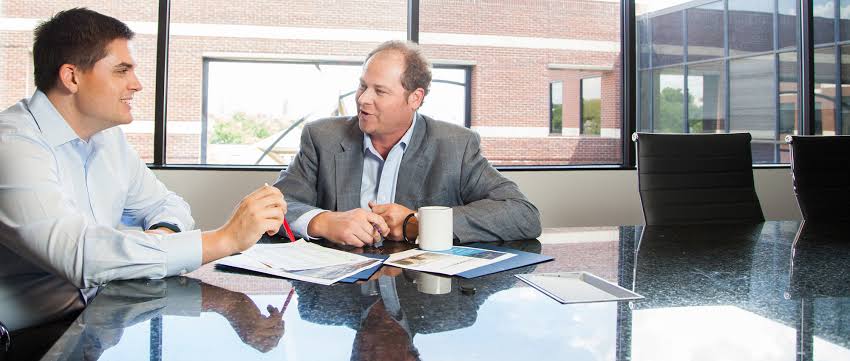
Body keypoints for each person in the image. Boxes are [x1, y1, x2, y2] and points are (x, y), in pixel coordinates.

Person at [0, 7, 287, 338]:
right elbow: (83, 256)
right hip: (25, 338)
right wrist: (224, 239)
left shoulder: (107, 139)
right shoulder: (13, 146)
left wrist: (160, 237)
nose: (136, 85)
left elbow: (168, 205)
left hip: (96, 321)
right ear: (72, 77)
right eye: (122, 71)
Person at [274, 40, 541, 247]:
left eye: (380, 91)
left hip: (417, 292)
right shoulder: (323, 137)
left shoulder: (456, 146)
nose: (363, 99)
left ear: (415, 98)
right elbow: (278, 204)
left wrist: (418, 224)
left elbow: (522, 215)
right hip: (340, 294)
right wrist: (323, 222)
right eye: (362, 86)